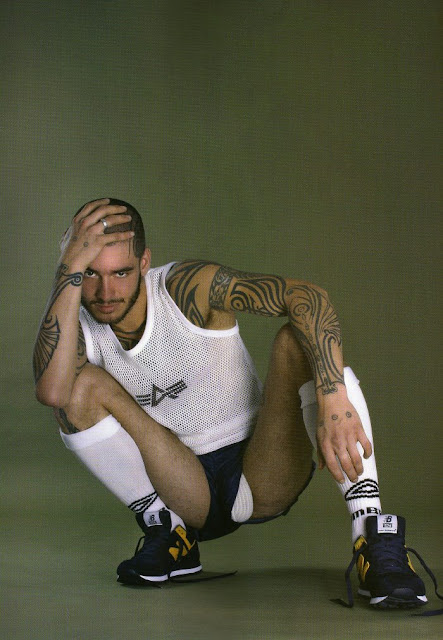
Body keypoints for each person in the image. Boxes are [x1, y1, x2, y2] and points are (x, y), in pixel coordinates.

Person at [33, 198, 433, 610]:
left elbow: (308, 297)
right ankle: (168, 529)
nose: (105, 292)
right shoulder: (77, 324)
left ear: (144, 262)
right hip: (185, 485)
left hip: (262, 468)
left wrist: (333, 399)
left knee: (297, 340)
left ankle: (373, 534)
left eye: (121, 272)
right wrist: (68, 268)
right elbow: (53, 394)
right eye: (90, 273)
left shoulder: (184, 288)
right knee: (77, 385)